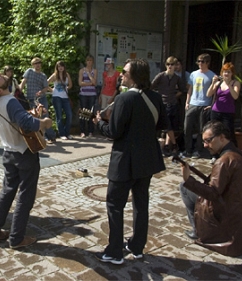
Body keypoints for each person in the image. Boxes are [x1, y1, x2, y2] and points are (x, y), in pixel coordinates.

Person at [94, 58, 167, 265]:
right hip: (147, 160)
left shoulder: (125, 99)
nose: (121, 75)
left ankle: (114, 252)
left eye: (125, 72)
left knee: (114, 205)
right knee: (141, 204)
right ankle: (137, 246)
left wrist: (99, 123)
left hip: (125, 161)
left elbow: (113, 132)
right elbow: (160, 124)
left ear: (135, 75)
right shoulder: (155, 97)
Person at [0, 72, 53, 248]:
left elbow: (16, 118)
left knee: (6, 193)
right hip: (24, 154)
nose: (0, 75)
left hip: (9, 152)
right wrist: (45, 122)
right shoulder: (9, 101)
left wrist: (32, 113)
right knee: (25, 197)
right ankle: (17, 238)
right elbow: (28, 124)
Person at [179, 121, 242, 257]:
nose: (205, 145)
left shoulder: (224, 161)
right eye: (204, 141)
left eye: (208, 141)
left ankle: (197, 231)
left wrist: (188, 180)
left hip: (229, 219)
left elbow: (212, 193)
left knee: (184, 187)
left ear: (222, 137)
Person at [151, 56, 187, 156]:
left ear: (175, 66)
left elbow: (183, 90)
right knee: (167, 126)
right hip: (163, 104)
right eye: (168, 64)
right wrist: (157, 97)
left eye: (172, 64)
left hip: (173, 104)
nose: (170, 66)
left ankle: (167, 147)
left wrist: (175, 96)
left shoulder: (177, 78)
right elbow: (151, 86)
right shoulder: (161, 76)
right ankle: (174, 145)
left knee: (171, 126)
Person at [183, 53, 215, 159]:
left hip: (204, 104)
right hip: (193, 103)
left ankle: (198, 150)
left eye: (202, 61)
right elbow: (190, 88)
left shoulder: (212, 75)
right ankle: (188, 149)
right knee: (187, 127)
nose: (200, 63)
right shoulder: (193, 74)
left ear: (207, 63)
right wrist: (187, 102)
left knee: (202, 129)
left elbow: (215, 92)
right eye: (198, 61)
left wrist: (211, 104)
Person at [19, 57, 56, 143]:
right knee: (34, 118)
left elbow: (46, 87)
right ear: (33, 65)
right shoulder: (29, 71)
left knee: (44, 116)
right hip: (31, 99)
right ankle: (39, 137)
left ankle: (51, 136)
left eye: (39, 63)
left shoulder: (43, 75)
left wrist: (41, 91)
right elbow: (23, 82)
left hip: (41, 98)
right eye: (35, 63)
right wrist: (19, 90)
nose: (37, 65)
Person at [207, 62, 240, 149]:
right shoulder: (219, 83)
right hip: (216, 111)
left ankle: (232, 151)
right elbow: (208, 94)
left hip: (228, 112)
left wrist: (229, 85)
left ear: (232, 73)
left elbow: (235, 96)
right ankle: (214, 153)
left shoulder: (235, 83)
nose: (226, 74)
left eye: (228, 72)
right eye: (225, 72)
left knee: (228, 133)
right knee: (214, 132)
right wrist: (213, 83)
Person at [47, 61, 73, 140]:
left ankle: (67, 132)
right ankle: (62, 134)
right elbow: (46, 83)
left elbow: (70, 85)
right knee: (59, 116)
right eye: (59, 66)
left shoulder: (67, 75)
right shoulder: (55, 75)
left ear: (64, 67)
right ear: (57, 68)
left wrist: (66, 88)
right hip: (56, 97)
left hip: (65, 97)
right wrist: (52, 90)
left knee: (69, 115)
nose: (60, 68)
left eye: (62, 66)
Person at [78, 54, 98, 138]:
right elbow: (80, 83)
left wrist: (89, 75)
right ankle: (82, 131)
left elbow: (95, 82)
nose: (89, 62)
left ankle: (90, 131)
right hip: (83, 94)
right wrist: (90, 83)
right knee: (83, 112)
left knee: (91, 112)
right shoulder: (82, 71)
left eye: (91, 61)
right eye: (88, 61)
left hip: (92, 94)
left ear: (92, 62)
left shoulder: (94, 71)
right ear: (86, 62)